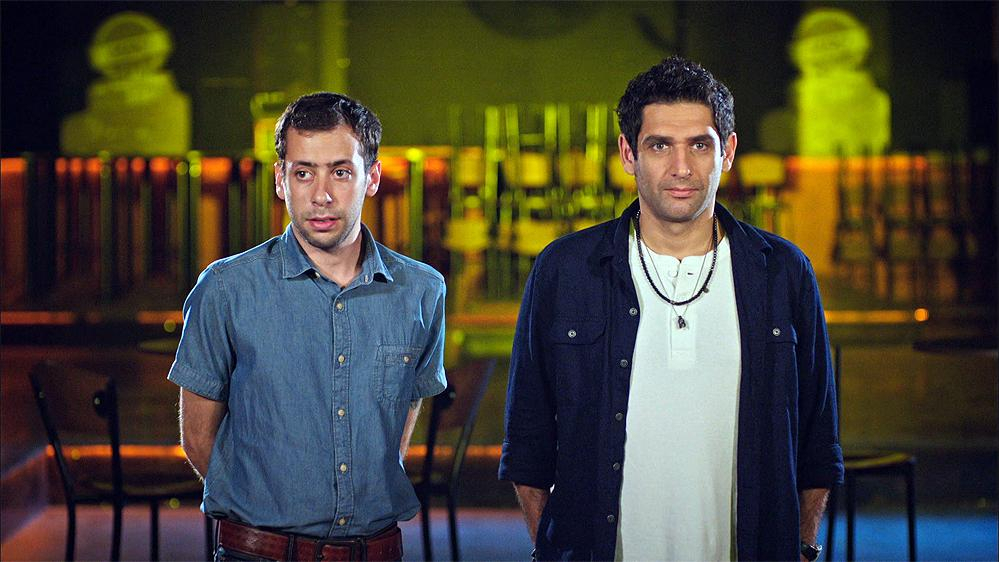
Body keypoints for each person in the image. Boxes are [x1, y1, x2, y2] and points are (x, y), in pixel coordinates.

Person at [499, 56, 844, 561]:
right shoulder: (566, 270)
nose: (681, 167)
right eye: (659, 145)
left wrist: (803, 547)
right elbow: (527, 441)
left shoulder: (782, 272)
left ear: (727, 151)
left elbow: (818, 439)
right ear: (628, 153)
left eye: (699, 145)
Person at [170, 92, 447, 561]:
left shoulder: (421, 291)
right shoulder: (226, 288)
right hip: (258, 553)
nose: (321, 195)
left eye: (340, 172)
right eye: (303, 173)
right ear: (281, 180)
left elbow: (402, 415)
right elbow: (199, 440)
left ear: (372, 177)